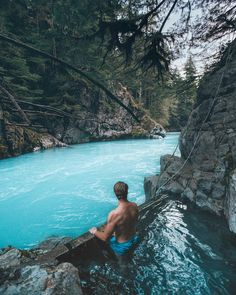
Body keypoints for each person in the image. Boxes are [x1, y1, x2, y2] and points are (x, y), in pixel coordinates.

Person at [89, 181, 139, 257]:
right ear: (127, 192)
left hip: (121, 247)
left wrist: (94, 231)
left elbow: (105, 238)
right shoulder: (134, 205)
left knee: (122, 265)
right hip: (134, 238)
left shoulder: (114, 214)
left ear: (115, 194)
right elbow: (130, 222)